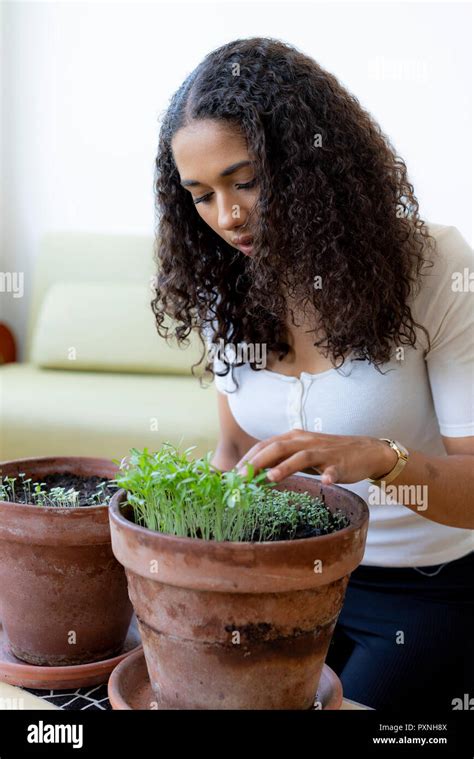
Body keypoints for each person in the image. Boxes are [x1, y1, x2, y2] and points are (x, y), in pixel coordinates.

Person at [152, 37, 474, 711]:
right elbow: (236, 451)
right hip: (283, 575)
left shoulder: (434, 265)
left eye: (246, 181)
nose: (227, 216)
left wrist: (380, 460)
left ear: (310, 165)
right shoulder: (222, 282)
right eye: (201, 195)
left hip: (423, 583)